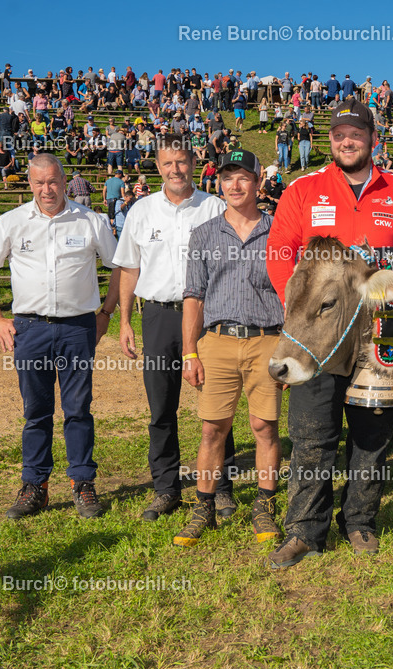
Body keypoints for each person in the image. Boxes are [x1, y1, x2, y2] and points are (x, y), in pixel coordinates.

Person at [265, 99, 393, 568]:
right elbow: (281, 247)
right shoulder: (305, 189)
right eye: (339, 135)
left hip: (379, 336)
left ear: (372, 139)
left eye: (356, 134)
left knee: (371, 435)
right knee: (312, 434)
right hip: (318, 335)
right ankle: (304, 530)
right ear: (331, 141)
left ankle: (360, 521)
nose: (347, 141)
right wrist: (297, 305)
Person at [0, 153, 121, 519]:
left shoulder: (91, 221)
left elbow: (119, 265)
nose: (47, 189)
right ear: (29, 183)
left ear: (64, 179)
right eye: (39, 183)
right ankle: (34, 485)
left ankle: (83, 483)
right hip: (30, 328)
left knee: (78, 409)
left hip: (77, 327)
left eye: (53, 181)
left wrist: (105, 313)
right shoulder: (11, 222)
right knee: (36, 412)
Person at [114, 134, 241, 522]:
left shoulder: (215, 208)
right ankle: (166, 488)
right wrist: (123, 320)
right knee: (161, 408)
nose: (175, 170)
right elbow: (129, 268)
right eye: (167, 163)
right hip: (158, 316)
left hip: (208, 316)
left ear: (193, 162)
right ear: (157, 166)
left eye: (182, 162)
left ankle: (221, 488)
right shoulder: (141, 211)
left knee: (216, 408)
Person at [173, 149, 285, 547]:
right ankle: (204, 507)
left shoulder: (279, 231)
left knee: (264, 427)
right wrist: (190, 352)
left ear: (258, 183)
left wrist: (289, 351)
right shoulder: (204, 234)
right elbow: (194, 297)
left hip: (266, 340)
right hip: (217, 342)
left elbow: (291, 294)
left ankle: (264, 505)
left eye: (243, 178)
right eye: (227, 178)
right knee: (212, 429)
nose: (234, 186)